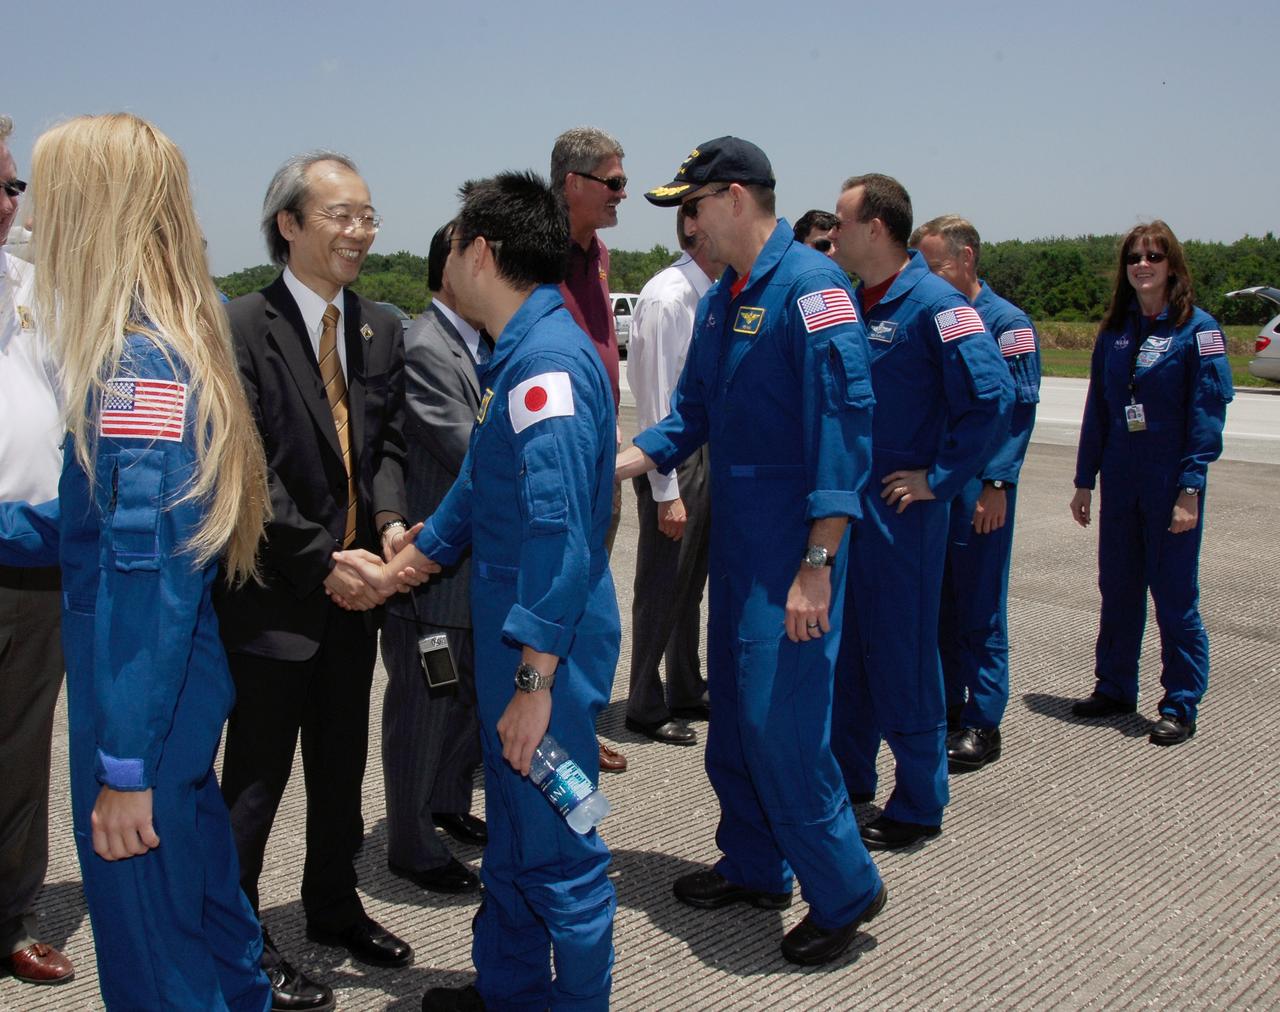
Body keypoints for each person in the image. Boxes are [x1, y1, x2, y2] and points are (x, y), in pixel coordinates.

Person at [0, 111, 272, 1010]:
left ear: (95, 211)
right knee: (206, 923)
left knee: (154, 957)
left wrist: (122, 774)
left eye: (45, 194)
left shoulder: (137, 369)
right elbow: (95, 528)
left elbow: (141, 582)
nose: (31, 217)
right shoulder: (155, 345)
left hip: (140, 716)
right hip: (168, 701)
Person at [617, 137, 886, 967]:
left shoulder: (814, 291)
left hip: (792, 559)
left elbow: (845, 434)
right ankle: (754, 865)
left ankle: (843, 886)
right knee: (733, 716)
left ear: (734, 199)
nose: (686, 223)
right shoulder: (726, 298)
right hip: (738, 549)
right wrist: (620, 456)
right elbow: (689, 411)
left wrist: (819, 565)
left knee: (781, 724)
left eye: (691, 205)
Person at [360, 170, 620, 1011]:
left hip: (538, 661)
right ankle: (509, 990)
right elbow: (476, 492)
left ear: (480, 250)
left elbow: (560, 537)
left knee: (561, 853)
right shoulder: (520, 355)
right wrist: (402, 568)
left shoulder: (546, 366)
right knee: (514, 836)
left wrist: (535, 686)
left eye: (454, 239)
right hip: (515, 647)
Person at [216, 150, 412, 1010]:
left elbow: (388, 446)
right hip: (274, 594)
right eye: (340, 215)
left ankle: (333, 905)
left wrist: (393, 525)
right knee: (254, 783)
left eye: (366, 215)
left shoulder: (380, 326)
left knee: (340, 769)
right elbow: (245, 467)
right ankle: (235, 934)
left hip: (359, 591)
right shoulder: (238, 327)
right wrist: (323, 559)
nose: (359, 231)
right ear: (288, 225)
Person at [829, 175, 1012, 850]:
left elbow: (990, 396)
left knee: (903, 654)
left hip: (903, 515)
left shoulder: (935, 304)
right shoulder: (848, 301)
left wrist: (940, 477)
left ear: (876, 228)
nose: (835, 234)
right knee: (848, 653)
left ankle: (919, 801)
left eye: (844, 222)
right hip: (851, 506)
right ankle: (851, 783)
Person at [1069, 221, 1233, 746]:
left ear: (1172, 265)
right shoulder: (1114, 331)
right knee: (1117, 588)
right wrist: (1084, 480)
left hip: (1168, 482)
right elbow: (1099, 410)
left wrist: (1190, 488)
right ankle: (1114, 686)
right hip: (1120, 479)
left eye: (1154, 256)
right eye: (1135, 257)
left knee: (1174, 595)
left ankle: (1180, 703)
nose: (1143, 264)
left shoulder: (1197, 330)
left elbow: (1206, 416)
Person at [911, 215, 1041, 772]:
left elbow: (1017, 413)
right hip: (938, 482)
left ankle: (984, 722)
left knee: (980, 606)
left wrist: (997, 483)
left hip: (979, 488)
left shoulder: (1007, 323)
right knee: (939, 603)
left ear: (967, 260)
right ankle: (946, 709)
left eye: (936, 266)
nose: (928, 277)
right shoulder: (936, 316)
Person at [380, 221, 486, 897]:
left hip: (471, 567)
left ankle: (447, 800)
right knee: (425, 702)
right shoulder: (425, 346)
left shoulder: (484, 342)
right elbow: (469, 446)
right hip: (432, 574)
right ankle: (411, 843)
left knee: (465, 698)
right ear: (454, 264)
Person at [0, 113, 75, 989]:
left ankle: (11, 917)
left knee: (19, 755)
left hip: (34, 567)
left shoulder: (34, 287)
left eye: (15, 185)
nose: (11, 203)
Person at [624, 205, 721, 746]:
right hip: (673, 458)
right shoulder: (671, 295)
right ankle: (643, 700)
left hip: (702, 452)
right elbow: (659, 399)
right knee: (663, 584)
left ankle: (685, 685)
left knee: (691, 586)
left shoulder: (709, 290)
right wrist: (666, 492)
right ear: (695, 229)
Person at [551, 125, 629, 774]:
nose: (621, 194)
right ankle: (542, 731)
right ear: (573, 183)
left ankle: (576, 723)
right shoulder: (531, 253)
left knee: (592, 615)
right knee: (559, 599)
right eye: (614, 182)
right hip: (556, 456)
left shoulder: (600, 255)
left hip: (604, 454)